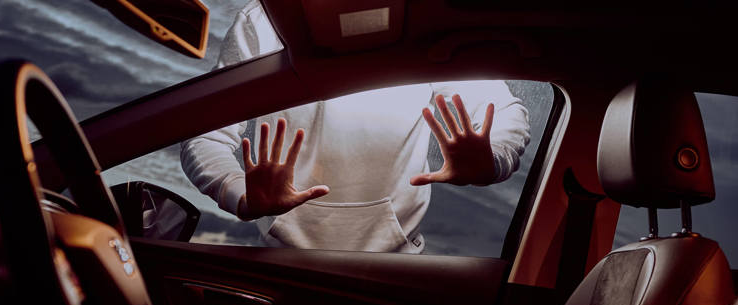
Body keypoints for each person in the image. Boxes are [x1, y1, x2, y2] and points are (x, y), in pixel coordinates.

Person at [181, 0, 530, 253]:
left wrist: (491, 160)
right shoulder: (264, 22)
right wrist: (240, 193)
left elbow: (505, 111)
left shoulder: (424, 21)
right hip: (281, 257)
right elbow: (204, 134)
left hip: (397, 265)